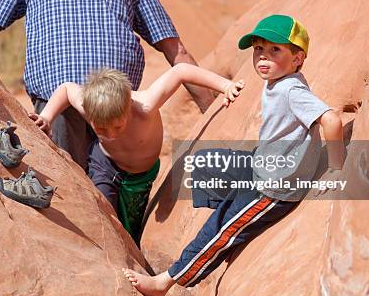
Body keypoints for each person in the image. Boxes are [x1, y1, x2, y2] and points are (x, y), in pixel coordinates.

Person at [122, 14, 346, 296]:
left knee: (219, 230)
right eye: (258, 50)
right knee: (206, 164)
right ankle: (231, 206)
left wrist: (337, 168)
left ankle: (167, 280)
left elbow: (332, 120)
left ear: (298, 58)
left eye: (275, 50)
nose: (263, 57)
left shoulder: (291, 89)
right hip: (265, 165)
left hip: (274, 188)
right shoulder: (279, 80)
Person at [0, 0, 215, 169]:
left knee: (70, 187)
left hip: (57, 97)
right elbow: (175, 49)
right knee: (111, 185)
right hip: (115, 98)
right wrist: (212, 113)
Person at [32, 65, 244, 243]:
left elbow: (180, 71)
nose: (111, 134)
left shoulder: (145, 104)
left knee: (131, 230)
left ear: (128, 107)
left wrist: (225, 86)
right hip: (104, 165)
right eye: (101, 129)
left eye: (117, 126)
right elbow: (68, 89)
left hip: (140, 177)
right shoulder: (90, 105)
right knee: (105, 215)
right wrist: (47, 117)